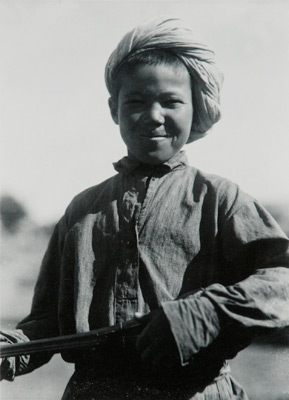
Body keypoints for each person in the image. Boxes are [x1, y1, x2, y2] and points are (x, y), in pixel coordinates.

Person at [1, 17, 289, 400]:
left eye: (171, 101)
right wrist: (10, 349)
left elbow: (281, 282)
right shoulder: (81, 211)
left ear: (195, 106)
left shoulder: (221, 200)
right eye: (136, 101)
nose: (153, 116)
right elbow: (47, 321)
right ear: (114, 109)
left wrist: (204, 313)